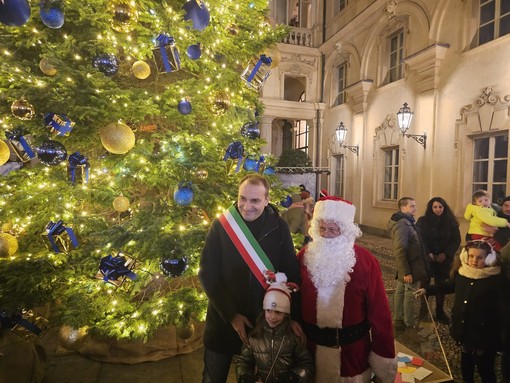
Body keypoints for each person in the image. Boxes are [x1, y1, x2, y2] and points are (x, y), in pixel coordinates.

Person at [199, 174, 301, 383]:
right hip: (223, 321)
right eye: (242, 198)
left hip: (263, 325)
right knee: (213, 378)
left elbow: (291, 272)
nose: (246, 206)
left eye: (255, 200)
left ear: (266, 200)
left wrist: (294, 317)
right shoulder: (222, 225)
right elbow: (208, 274)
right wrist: (231, 315)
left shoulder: (279, 226)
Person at [298, 196, 397, 382]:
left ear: (344, 230)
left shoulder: (366, 261)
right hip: (309, 354)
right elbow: (294, 297)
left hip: (351, 356)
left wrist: (383, 355)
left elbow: (380, 313)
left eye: (333, 229)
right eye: (322, 228)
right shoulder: (304, 256)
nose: (326, 234)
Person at [415, 240, 506, 383]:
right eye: (471, 256)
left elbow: (504, 308)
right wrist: (427, 289)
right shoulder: (462, 273)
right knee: (466, 365)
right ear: (465, 256)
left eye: (480, 257)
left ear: (489, 258)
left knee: (485, 369)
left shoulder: (496, 278)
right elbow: (447, 286)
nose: (474, 261)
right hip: (465, 331)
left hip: (485, 335)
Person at [235, 273, 315, 383]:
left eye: (278, 312)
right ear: (264, 310)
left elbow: (307, 364)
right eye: (269, 310)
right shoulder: (254, 336)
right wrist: (247, 378)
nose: (272, 317)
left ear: (286, 314)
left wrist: (291, 378)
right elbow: (243, 362)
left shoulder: (294, 336)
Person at [387, 197, 429, 337]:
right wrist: (406, 272)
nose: (415, 208)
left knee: (400, 292)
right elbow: (400, 249)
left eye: (415, 205)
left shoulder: (406, 222)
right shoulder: (403, 224)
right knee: (409, 294)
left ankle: (399, 320)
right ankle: (409, 324)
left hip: (408, 263)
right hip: (410, 265)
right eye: (412, 206)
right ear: (403, 208)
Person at [416, 197, 461, 324]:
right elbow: (419, 238)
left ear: (444, 208)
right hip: (427, 258)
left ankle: (440, 311)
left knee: (441, 285)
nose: (438, 210)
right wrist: (427, 252)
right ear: (431, 208)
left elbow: (456, 240)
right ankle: (423, 311)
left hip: (444, 260)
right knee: (424, 283)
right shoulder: (423, 221)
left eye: (440, 207)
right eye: (435, 207)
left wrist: (445, 253)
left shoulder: (451, 222)